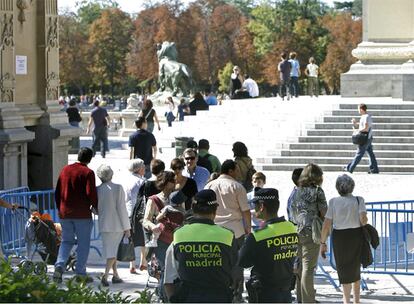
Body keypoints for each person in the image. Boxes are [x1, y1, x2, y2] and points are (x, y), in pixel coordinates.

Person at [164, 189, 237, 303]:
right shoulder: (228, 235)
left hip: (188, 298)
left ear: (193, 208)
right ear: (215, 210)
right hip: (219, 297)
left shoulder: (179, 235)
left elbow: (169, 279)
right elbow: (234, 270)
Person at [239, 188, 298, 303]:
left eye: (254, 205)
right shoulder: (291, 228)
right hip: (286, 293)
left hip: (264, 293)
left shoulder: (258, 235)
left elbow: (243, 262)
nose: (253, 209)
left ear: (261, 206)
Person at [205, 159, 251, 302]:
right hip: (235, 231)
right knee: (237, 264)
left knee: (216, 263)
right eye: (236, 170)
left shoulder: (209, 185)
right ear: (230, 171)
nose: (238, 173)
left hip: (214, 230)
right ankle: (236, 295)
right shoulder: (237, 187)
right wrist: (248, 229)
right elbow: (245, 211)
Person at [320, 174, 368, 304]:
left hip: (340, 238)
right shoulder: (359, 200)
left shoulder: (334, 202)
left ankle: (346, 301)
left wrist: (322, 242)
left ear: (338, 187)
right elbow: (363, 220)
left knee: (344, 270)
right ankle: (357, 301)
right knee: (355, 269)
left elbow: (326, 225)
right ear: (352, 186)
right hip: (356, 236)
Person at [53, 147, 98, 283]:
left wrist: (60, 209)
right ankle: (80, 273)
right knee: (84, 244)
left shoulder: (65, 169)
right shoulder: (88, 172)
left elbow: (57, 191)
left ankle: (59, 266)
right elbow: (91, 193)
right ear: (89, 159)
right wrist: (96, 207)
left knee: (66, 241)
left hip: (65, 213)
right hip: (82, 214)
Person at [291, 163, 327, 303]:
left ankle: (301, 298)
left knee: (300, 267)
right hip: (311, 232)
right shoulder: (317, 191)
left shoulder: (296, 190)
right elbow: (324, 212)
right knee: (308, 268)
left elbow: (292, 211)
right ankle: (308, 301)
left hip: (296, 230)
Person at [142, 171, 178, 301]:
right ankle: (164, 297)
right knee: (165, 269)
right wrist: (154, 226)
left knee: (175, 270)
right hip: (161, 239)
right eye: (173, 181)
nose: (175, 183)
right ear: (166, 183)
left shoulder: (177, 198)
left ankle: (166, 294)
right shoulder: (154, 200)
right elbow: (145, 220)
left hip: (176, 239)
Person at [96, 164, 131, 287]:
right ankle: (105, 275)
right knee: (112, 252)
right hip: (117, 225)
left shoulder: (98, 189)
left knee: (111, 250)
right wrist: (127, 227)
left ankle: (115, 274)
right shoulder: (117, 188)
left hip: (104, 224)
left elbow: (96, 209)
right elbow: (121, 209)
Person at [124, 158, 147, 274]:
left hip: (128, 212)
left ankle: (131, 263)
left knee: (131, 238)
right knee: (143, 237)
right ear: (139, 169)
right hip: (140, 212)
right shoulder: (142, 181)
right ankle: (143, 262)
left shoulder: (126, 180)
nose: (145, 168)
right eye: (143, 167)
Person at [345, 103, 379, 174]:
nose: (358, 111)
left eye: (358, 109)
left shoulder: (366, 117)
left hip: (365, 139)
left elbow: (366, 129)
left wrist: (358, 130)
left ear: (361, 109)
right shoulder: (363, 116)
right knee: (370, 154)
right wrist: (355, 124)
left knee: (359, 154)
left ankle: (350, 168)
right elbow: (362, 127)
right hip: (367, 138)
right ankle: (374, 169)